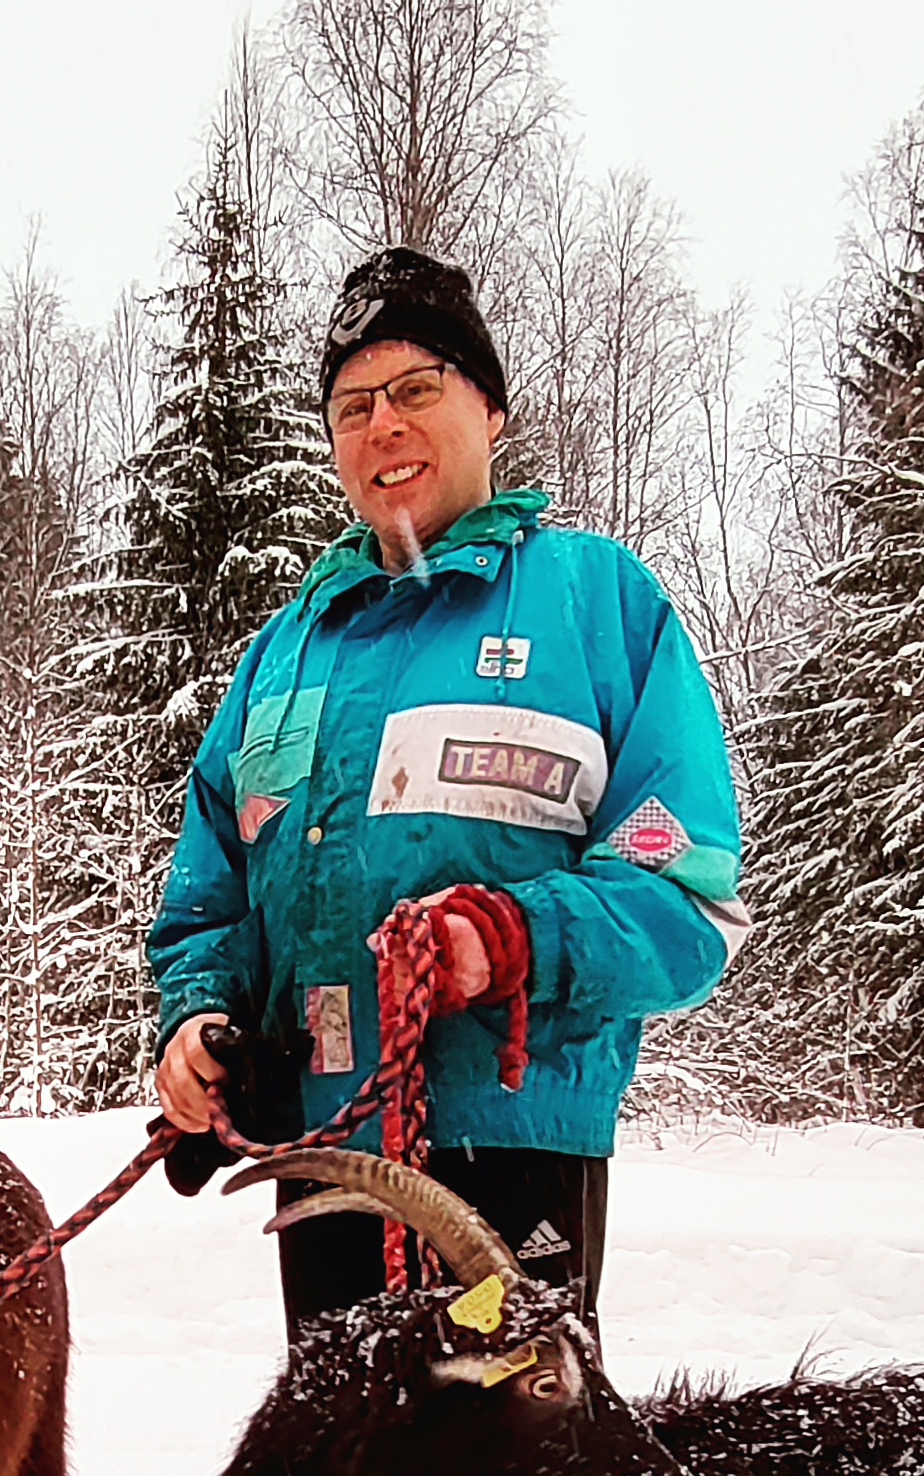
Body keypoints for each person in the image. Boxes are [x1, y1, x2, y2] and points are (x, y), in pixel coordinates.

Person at [149, 248, 751, 1332]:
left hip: (514, 1155)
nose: (382, 426)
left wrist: (514, 938)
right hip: (322, 1159)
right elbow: (210, 903)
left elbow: (689, 895)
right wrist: (199, 1026)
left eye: (416, 390)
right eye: (351, 406)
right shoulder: (283, 656)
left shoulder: (598, 606)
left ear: (491, 407)